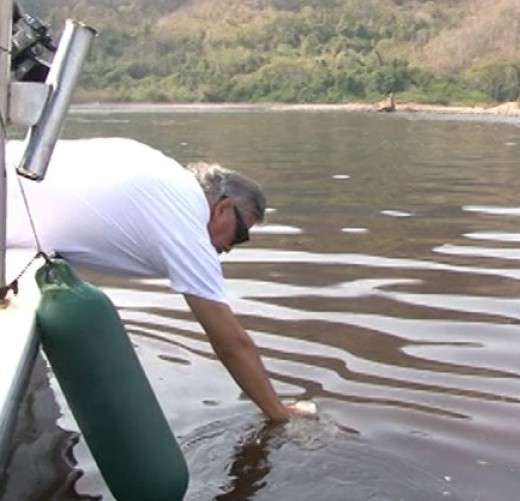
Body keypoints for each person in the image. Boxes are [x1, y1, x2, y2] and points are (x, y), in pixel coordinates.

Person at [6, 137, 311, 422]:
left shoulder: (160, 169)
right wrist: (280, 412)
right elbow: (231, 342)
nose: (230, 247)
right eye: (240, 234)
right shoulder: (186, 219)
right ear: (223, 208)